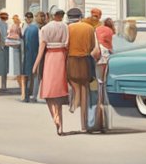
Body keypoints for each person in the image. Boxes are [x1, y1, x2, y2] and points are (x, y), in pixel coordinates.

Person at [33, 7, 71, 135]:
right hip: (61, 57)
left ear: (50, 15)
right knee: (59, 93)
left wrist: (36, 65)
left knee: (48, 92)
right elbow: (66, 45)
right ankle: (60, 123)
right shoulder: (65, 27)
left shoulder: (45, 29)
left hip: (50, 57)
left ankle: (55, 117)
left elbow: (41, 49)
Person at [66, 8, 103, 132]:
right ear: (80, 17)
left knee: (74, 84)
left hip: (71, 60)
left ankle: (74, 102)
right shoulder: (89, 28)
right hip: (85, 61)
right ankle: (83, 125)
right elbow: (93, 47)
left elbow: (66, 45)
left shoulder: (68, 29)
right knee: (85, 90)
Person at [21, 11, 41, 102]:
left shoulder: (26, 29)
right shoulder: (37, 29)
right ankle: (34, 95)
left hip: (27, 55)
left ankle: (27, 96)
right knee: (35, 76)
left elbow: (23, 43)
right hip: (35, 54)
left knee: (28, 76)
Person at [6, 12, 23, 97]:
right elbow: (20, 35)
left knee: (15, 65)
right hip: (17, 45)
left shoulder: (12, 26)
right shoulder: (18, 27)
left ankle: (18, 80)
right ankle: (20, 84)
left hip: (12, 45)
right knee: (18, 65)